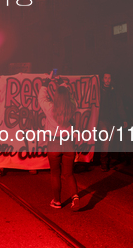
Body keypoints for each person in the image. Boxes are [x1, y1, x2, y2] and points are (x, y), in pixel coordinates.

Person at [38, 71, 81, 211]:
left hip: (54, 143)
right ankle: (75, 197)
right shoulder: (72, 106)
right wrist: (61, 82)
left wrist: (47, 81)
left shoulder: (50, 108)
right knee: (69, 174)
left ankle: (57, 201)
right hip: (68, 143)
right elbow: (72, 97)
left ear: (56, 96)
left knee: (55, 173)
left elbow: (41, 97)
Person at [96, 73, 127, 171]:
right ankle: (103, 162)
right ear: (102, 79)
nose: (107, 80)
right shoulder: (98, 91)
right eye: (106, 78)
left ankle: (107, 160)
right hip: (101, 120)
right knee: (106, 140)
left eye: (109, 78)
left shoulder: (114, 92)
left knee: (110, 140)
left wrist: (124, 119)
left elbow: (119, 106)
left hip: (112, 120)